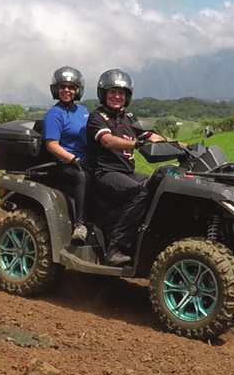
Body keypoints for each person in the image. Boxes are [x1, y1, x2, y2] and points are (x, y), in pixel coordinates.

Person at [86, 69, 164, 266]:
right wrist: (135, 144)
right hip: (104, 173)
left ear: (127, 96)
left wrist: (183, 147)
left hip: (126, 173)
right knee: (140, 194)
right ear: (103, 93)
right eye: (112, 92)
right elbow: (108, 141)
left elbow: (151, 136)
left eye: (121, 93)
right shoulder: (97, 117)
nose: (117, 96)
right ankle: (116, 248)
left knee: (159, 185)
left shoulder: (128, 118)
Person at [43, 66, 91, 244]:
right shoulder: (55, 114)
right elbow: (52, 145)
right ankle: (80, 225)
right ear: (56, 89)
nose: (66, 90)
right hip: (64, 165)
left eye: (71, 87)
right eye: (62, 86)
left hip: (86, 160)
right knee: (83, 177)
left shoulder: (83, 111)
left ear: (77, 90)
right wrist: (74, 159)